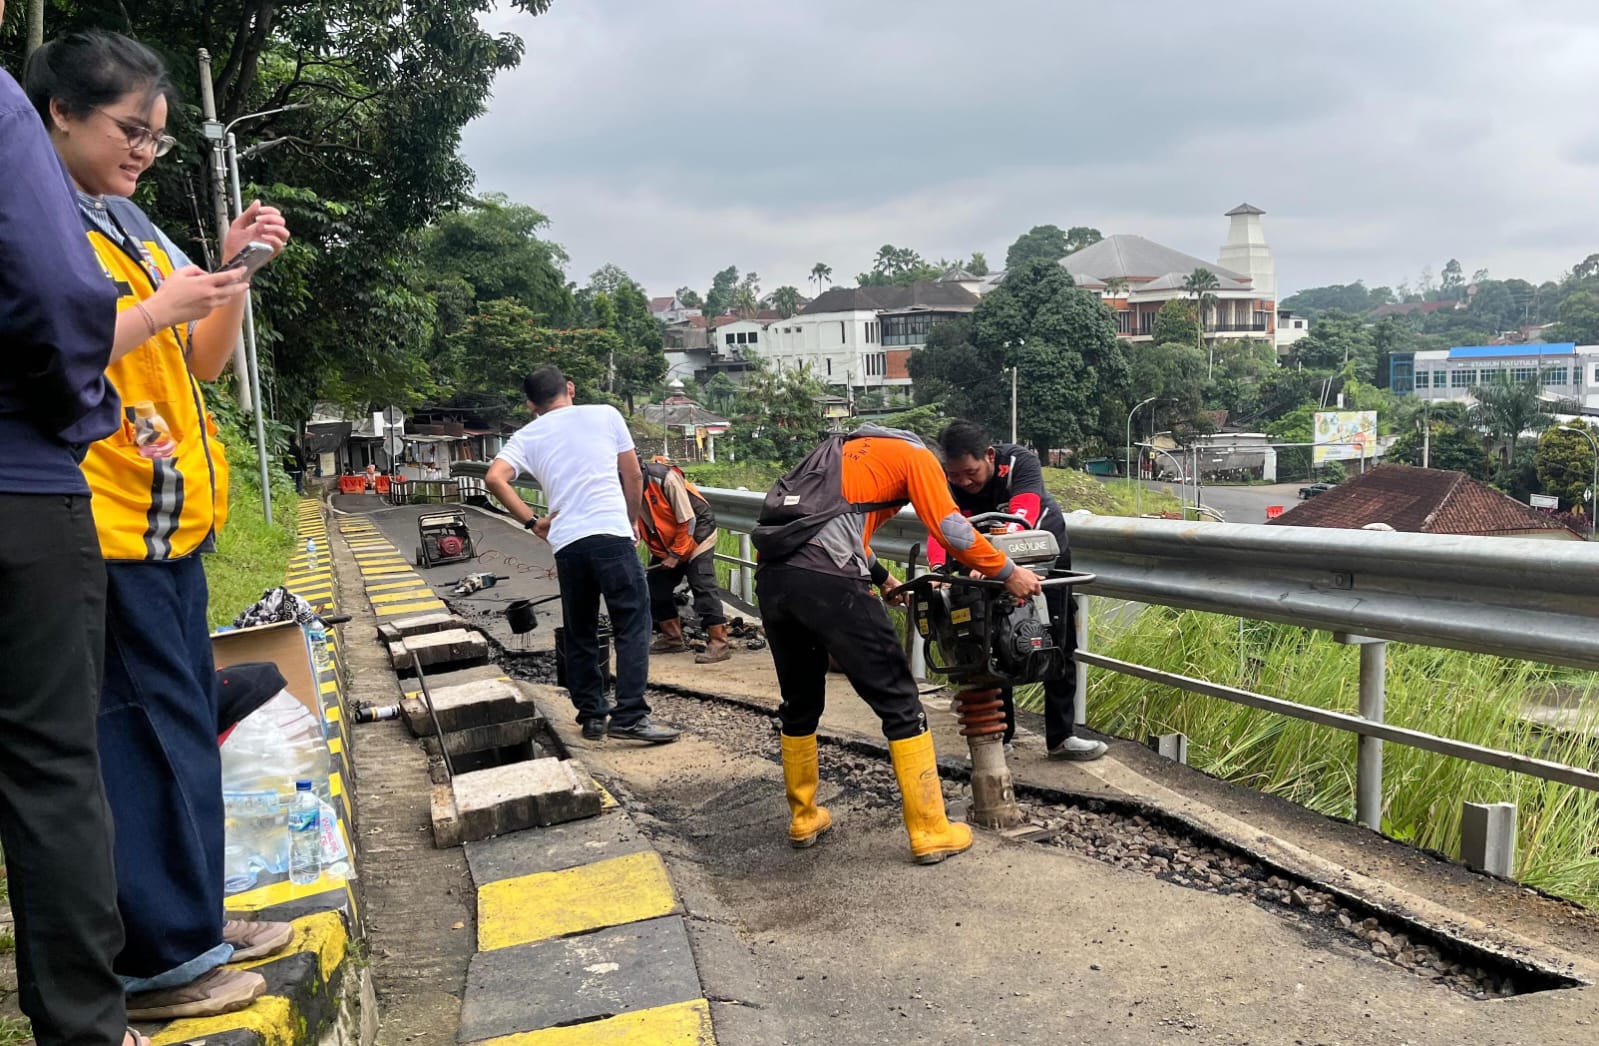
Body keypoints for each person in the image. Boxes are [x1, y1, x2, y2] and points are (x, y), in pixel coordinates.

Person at [28, 30, 295, 1020]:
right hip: (102, 523)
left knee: (184, 728)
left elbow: (208, 358)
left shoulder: (131, 224)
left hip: (171, 524)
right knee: (136, 740)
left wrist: (236, 272)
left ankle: (197, 917)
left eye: (156, 138)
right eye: (127, 129)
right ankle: (160, 960)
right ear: (59, 112)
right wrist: (155, 311)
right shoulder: (38, 221)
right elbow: (46, 350)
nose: (143, 149)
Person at [0, 13, 135, 1043]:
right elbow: (54, 291)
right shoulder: (3, 113)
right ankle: (85, 1028)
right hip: (21, 484)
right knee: (51, 762)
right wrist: (76, 406)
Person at [753, 425, 1043, 864]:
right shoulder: (914, 457)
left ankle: (804, 816)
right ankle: (929, 830)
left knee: (800, 699)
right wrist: (1008, 572)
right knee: (899, 700)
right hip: (829, 579)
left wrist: (885, 579)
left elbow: (836, 527)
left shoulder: (835, 454)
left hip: (774, 577)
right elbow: (950, 529)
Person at [485, 367, 681, 745]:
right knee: (632, 623)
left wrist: (532, 523)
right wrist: (629, 521)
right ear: (570, 389)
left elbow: (494, 478)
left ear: (531, 405)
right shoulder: (605, 414)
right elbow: (634, 476)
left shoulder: (526, 436)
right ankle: (631, 715)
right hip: (610, 534)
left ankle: (592, 716)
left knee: (580, 630)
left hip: (568, 543)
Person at [936, 420, 1107, 762]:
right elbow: (940, 525)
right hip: (981, 559)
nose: (963, 483)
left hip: (1042, 549)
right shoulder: (945, 480)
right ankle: (1001, 735)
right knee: (988, 640)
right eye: (954, 476)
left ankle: (1062, 737)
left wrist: (995, 564)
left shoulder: (1020, 463)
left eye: (970, 473)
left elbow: (1021, 518)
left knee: (1057, 638)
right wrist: (941, 571)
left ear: (988, 456)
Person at [636, 452, 730, 663]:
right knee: (656, 586)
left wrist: (676, 555)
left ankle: (719, 643)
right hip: (666, 541)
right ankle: (672, 638)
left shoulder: (665, 478)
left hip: (697, 531)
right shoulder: (622, 486)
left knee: (702, 583)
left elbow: (688, 521)